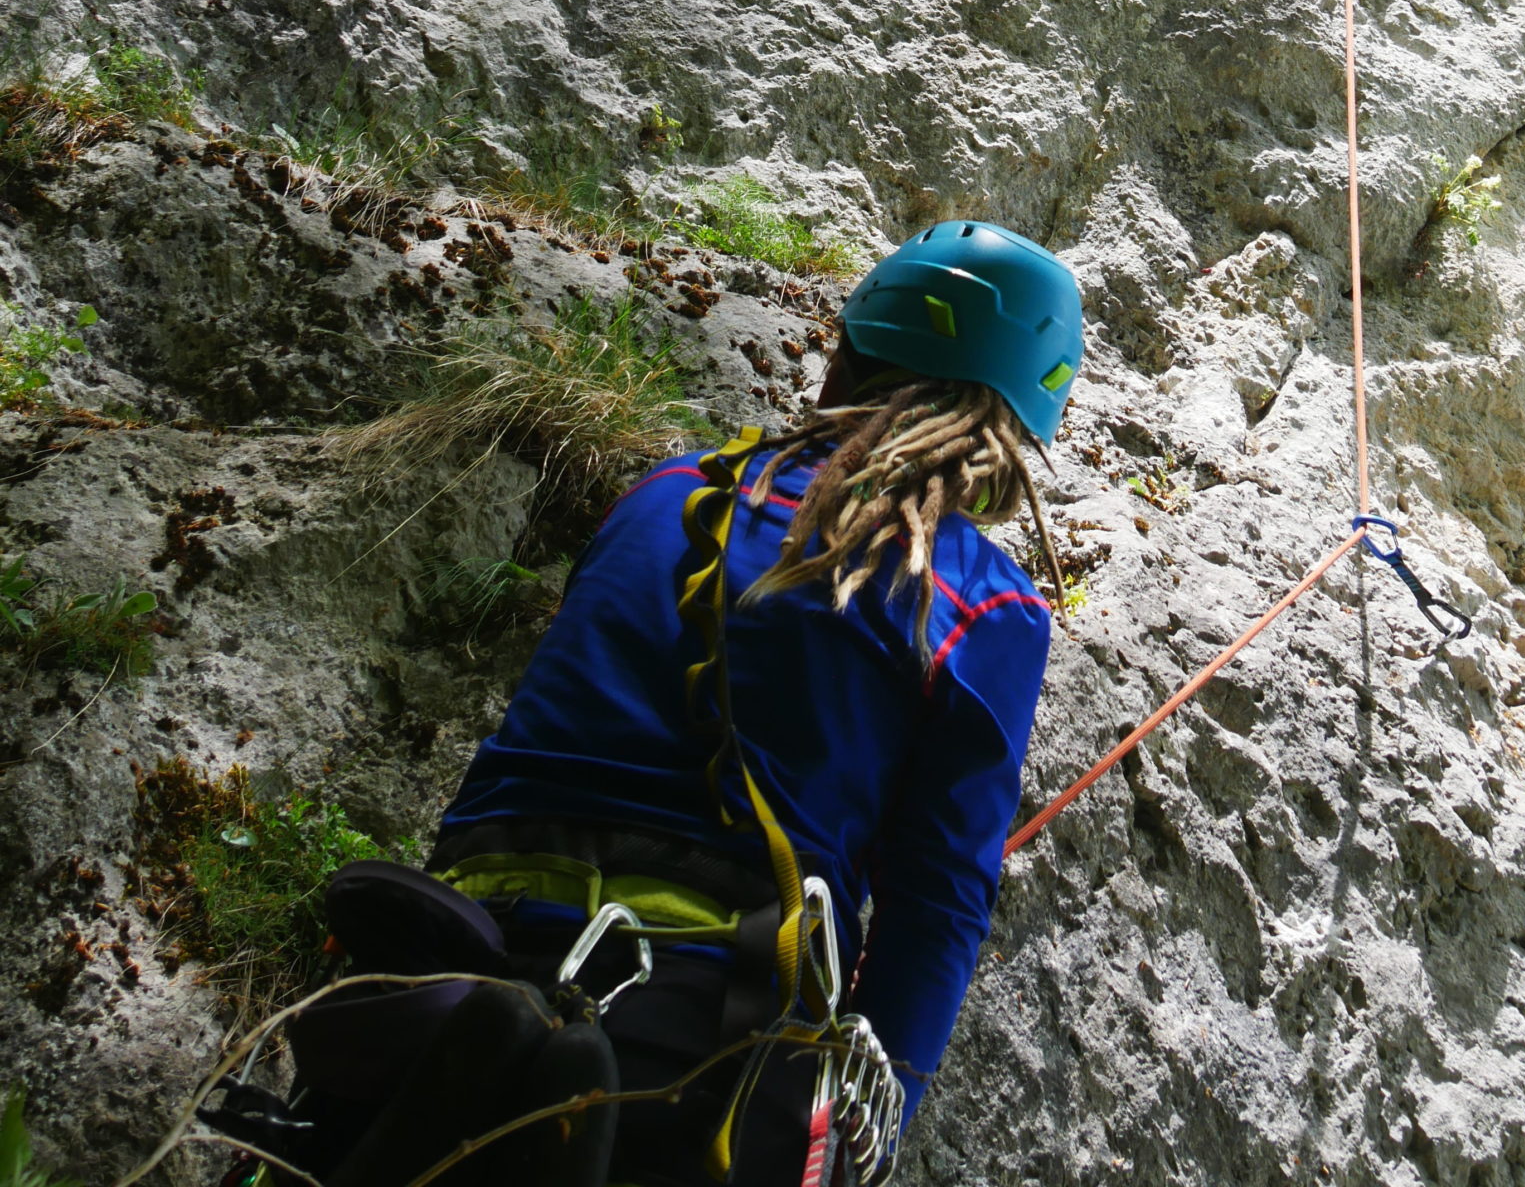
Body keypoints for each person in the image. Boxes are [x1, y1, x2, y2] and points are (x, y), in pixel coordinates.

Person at [402, 219, 1084, 1187]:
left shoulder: (663, 494)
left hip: (454, 958)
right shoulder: (978, 598)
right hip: (696, 1027)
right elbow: (935, 897)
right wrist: (869, 1125)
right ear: (1018, 421)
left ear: (844, 352)